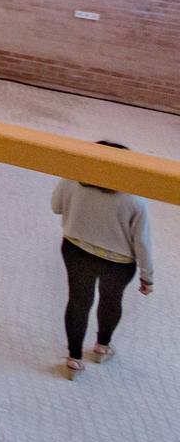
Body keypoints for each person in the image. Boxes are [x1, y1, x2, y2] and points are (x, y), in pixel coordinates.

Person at [53, 142, 155, 378]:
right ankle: (101, 347)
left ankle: (73, 359)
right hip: (118, 262)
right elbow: (142, 241)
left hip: (76, 249)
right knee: (111, 301)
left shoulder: (71, 181)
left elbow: (55, 207)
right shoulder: (135, 200)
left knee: (78, 301)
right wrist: (147, 276)